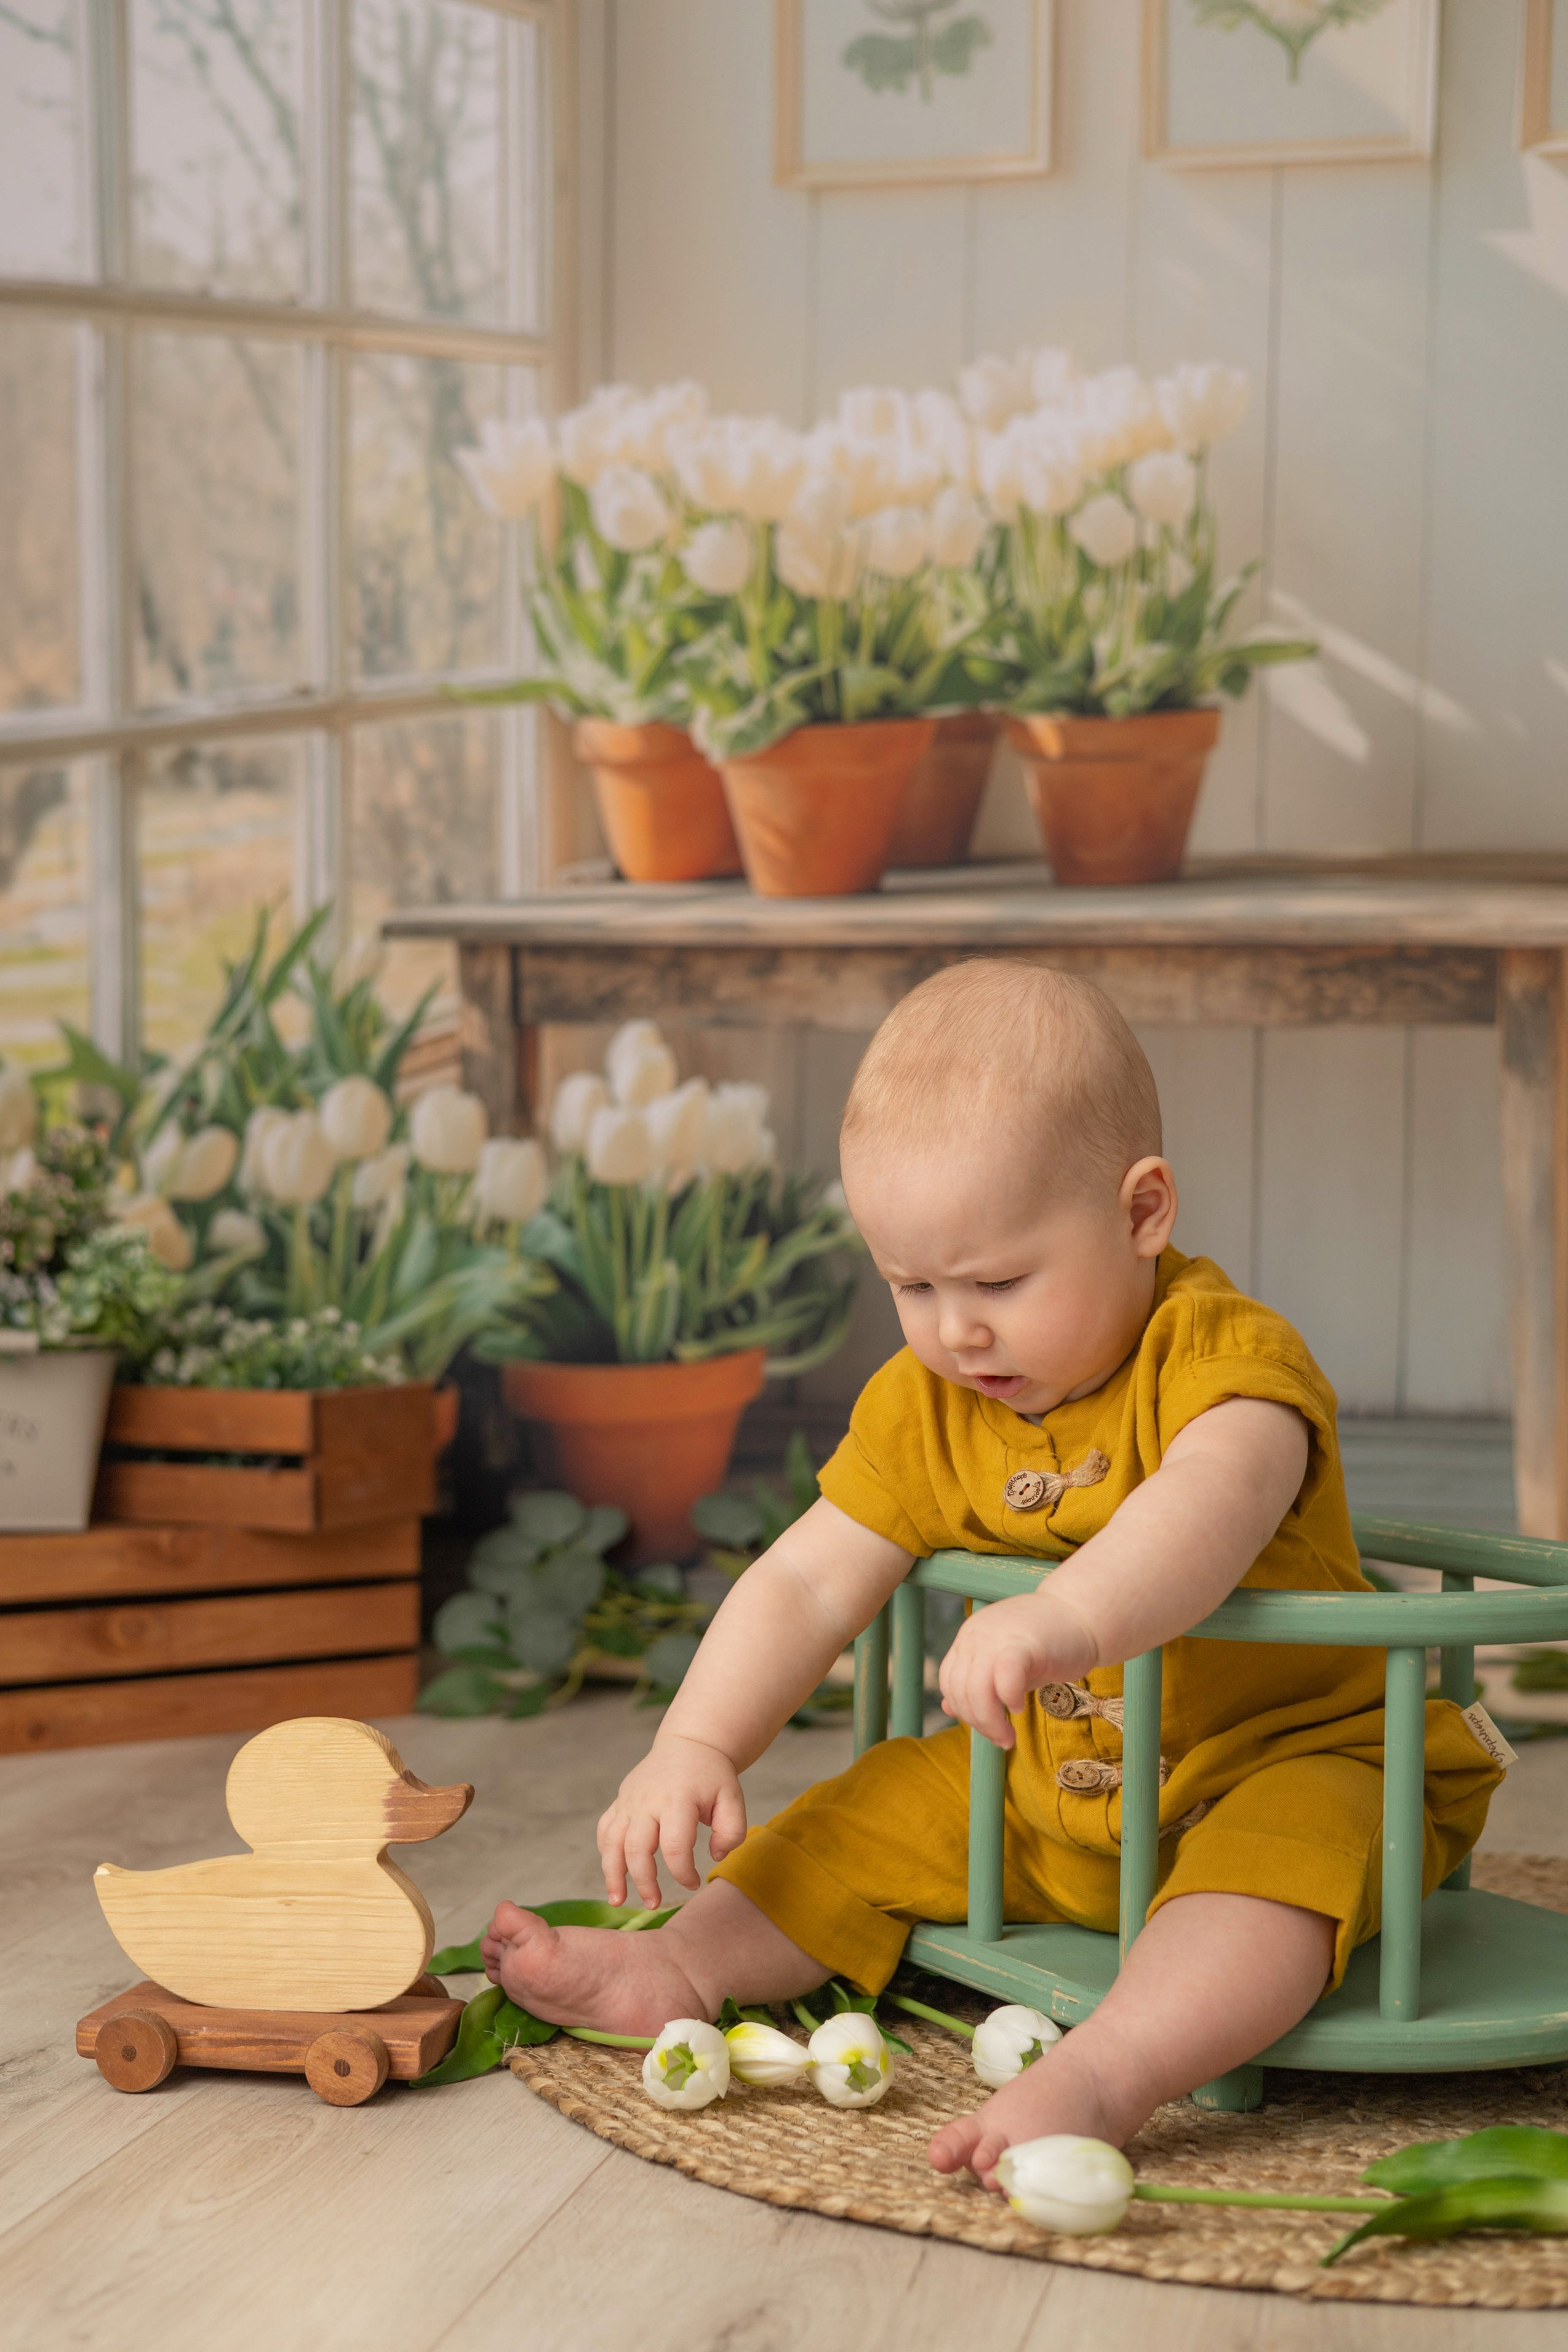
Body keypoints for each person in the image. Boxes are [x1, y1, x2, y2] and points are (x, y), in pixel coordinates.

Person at [481, 960, 1499, 2189]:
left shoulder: (1218, 1353)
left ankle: (1110, 2069)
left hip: (1290, 1758)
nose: (953, 1330)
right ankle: (683, 1965)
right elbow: (806, 1582)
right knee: (851, 1816)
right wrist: (695, 1743)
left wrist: (1063, 1613)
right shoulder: (925, 1404)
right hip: (1038, 1792)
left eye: (998, 1282)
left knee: (1273, 1886)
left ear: (1141, 1214)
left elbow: (1208, 1505)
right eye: (911, 1285)